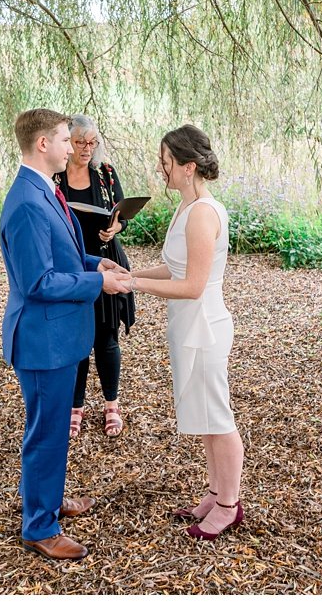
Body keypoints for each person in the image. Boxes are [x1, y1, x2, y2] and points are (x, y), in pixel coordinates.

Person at [0, 108, 131, 560]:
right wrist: (100, 284)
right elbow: (38, 283)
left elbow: (64, 256)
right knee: (47, 434)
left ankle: (49, 502)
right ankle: (39, 527)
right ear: (42, 145)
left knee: (52, 430)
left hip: (57, 337)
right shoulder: (27, 202)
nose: (71, 146)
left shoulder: (45, 190)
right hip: (41, 341)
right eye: (62, 138)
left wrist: (97, 264)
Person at [127, 124, 245, 540]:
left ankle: (230, 505)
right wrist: (131, 272)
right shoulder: (185, 207)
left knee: (218, 415)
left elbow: (193, 286)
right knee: (204, 415)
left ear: (189, 166)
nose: (161, 170)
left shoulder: (203, 214)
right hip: (186, 323)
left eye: (166, 162)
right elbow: (176, 270)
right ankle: (215, 492)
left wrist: (133, 286)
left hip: (206, 325)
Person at [53, 115, 135, 438]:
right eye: (80, 143)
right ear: (68, 143)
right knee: (76, 340)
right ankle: (76, 407)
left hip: (105, 261)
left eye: (92, 143)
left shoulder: (105, 175)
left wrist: (117, 227)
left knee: (106, 338)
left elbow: (122, 214)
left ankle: (111, 405)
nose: (87, 149)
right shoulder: (56, 177)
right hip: (72, 265)